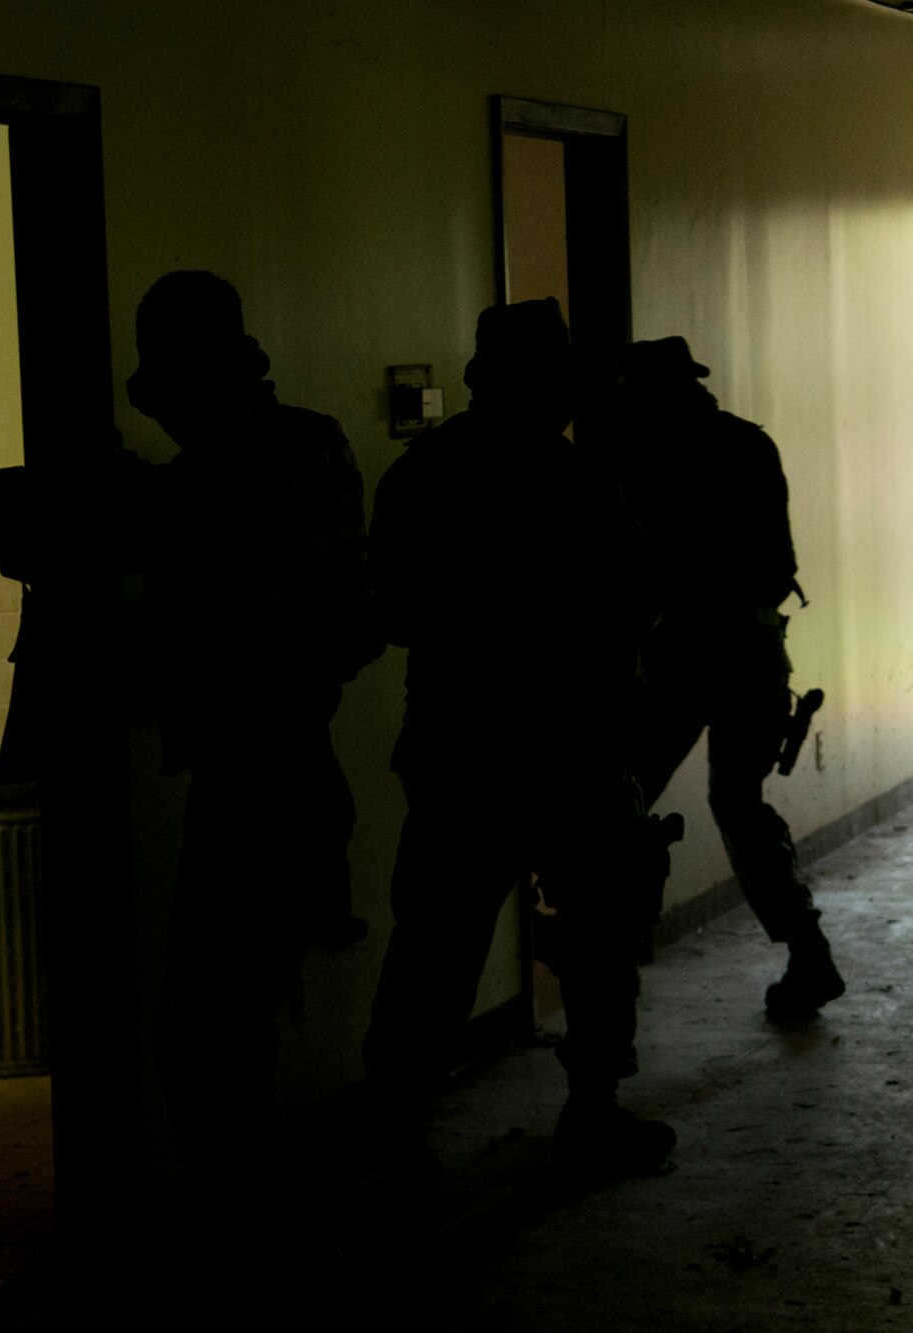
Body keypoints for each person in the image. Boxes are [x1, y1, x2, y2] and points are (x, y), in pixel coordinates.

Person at [360, 297, 678, 1180]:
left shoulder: (424, 475)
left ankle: (395, 1133)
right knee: (599, 932)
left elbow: (394, 613)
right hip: (565, 742)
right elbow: (642, 594)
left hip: (461, 743)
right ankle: (592, 1113)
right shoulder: (574, 478)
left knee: (435, 946)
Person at [131, 272, 383, 1241]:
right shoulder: (308, 443)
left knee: (201, 1038)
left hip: (262, 784)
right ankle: (269, 1221)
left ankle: (262, 1231)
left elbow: (192, 534)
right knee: (232, 1032)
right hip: (289, 774)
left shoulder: (220, 478)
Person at [615, 336, 844, 1019]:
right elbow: (778, 567)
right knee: (739, 802)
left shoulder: (640, 457)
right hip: (753, 650)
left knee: (619, 799)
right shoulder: (750, 444)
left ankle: (610, 960)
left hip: (676, 657)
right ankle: (808, 952)